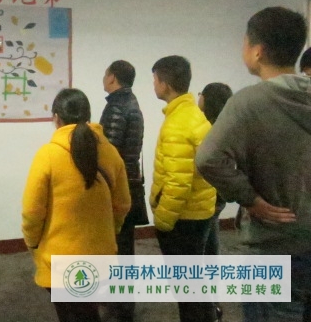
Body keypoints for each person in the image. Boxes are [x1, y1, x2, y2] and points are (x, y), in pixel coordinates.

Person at [196, 6, 310, 322]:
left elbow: (208, 158)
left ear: (257, 51)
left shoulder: (248, 102)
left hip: (274, 244)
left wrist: (250, 199)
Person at [22, 88, 131, 322]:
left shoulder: (48, 155)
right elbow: (123, 204)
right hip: (101, 259)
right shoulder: (111, 153)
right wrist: (111, 232)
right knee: (88, 313)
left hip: (59, 263)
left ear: (56, 118)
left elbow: (32, 211)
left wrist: (33, 242)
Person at [149, 56, 217, 322]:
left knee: (187, 290)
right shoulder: (192, 114)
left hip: (183, 219)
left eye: (155, 79)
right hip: (199, 213)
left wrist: (163, 221)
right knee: (195, 285)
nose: (153, 85)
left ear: (165, 84)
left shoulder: (178, 124)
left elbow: (178, 183)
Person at [99, 60, 145, 322]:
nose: (103, 78)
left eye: (105, 74)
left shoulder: (117, 107)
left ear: (112, 77)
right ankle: (123, 303)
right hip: (128, 184)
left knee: (118, 249)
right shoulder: (131, 102)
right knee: (124, 248)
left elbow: (109, 153)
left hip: (117, 187)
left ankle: (122, 307)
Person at [197, 82, 233, 257]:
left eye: (200, 94)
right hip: (221, 191)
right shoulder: (228, 126)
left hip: (210, 191)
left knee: (203, 239)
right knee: (211, 230)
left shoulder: (209, 130)